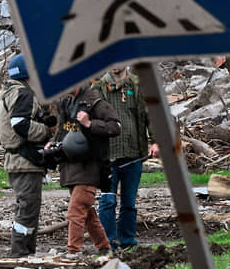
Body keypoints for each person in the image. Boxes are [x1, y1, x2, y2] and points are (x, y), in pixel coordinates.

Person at [48, 84, 120, 258]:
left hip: (91, 166)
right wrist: (53, 143)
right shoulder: (65, 103)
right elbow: (63, 130)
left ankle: (73, 252)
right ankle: (104, 248)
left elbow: (116, 126)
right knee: (87, 213)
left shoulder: (95, 103)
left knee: (76, 210)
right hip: (71, 166)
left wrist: (90, 123)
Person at [0, 54, 57, 257]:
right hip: (24, 162)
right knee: (27, 211)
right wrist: (46, 131)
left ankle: (25, 253)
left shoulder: (9, 92)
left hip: (16, 161)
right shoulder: (23, 94)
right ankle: (20, 254)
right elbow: (20, 124)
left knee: (27, 210)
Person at [93, 67, 159, 251]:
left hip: (133, 154)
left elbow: (150, 116)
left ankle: (128, 242)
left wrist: (155, 141)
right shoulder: (98, 88)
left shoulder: (138, 85)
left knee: (129, 203)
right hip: (107, 157)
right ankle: (107, 244)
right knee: (107, 201)